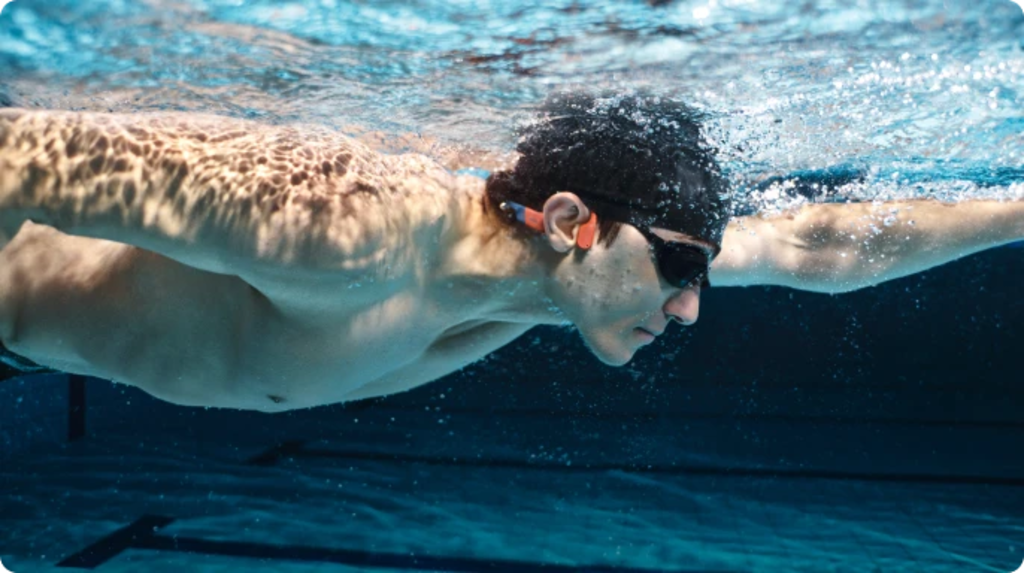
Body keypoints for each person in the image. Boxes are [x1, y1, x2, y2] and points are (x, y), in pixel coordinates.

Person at [0, 93, 1020, 412]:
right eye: (682, 270)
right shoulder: (345, 231)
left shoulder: (558, 282)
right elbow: (18, 152)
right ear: (571, 217)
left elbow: (814, 239)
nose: (692, 307)